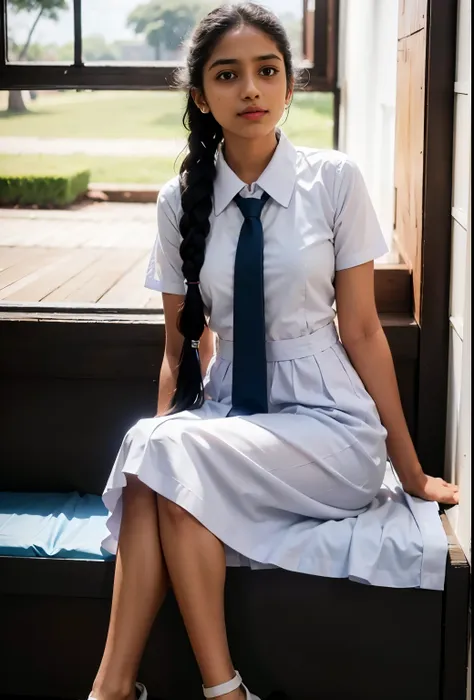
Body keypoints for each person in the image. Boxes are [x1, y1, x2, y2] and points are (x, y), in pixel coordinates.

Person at [88, 4, 459, 700]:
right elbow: (179, 345)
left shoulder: (336, 181)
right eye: (228, 76)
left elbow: (364, 333)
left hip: (331, 431)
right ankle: (154, 689)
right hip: (231, 420)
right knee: (154, 451)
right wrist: (165, 434)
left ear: (291, 84)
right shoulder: (178, 202)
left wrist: (409, 471)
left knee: (162, 456)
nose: (251, 90)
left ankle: (157, 690)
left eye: (267, 71)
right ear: (202, 96)